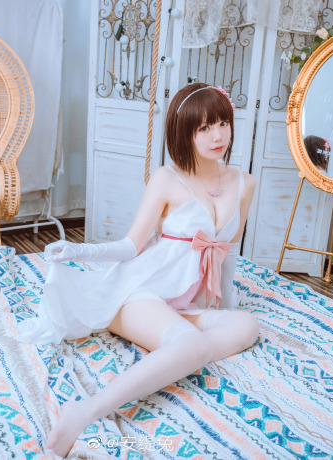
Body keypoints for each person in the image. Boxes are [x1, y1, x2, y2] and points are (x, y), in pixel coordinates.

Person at [18, 82, 260, 457]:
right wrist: (79, 251)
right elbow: (131, 245)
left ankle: (177, 354)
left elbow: (227, 253)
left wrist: (224, 306)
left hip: (185, 303)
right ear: (184, 132)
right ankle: (85, 412)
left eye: (223, 123)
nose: (218, 136)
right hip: (140, 293)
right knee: (194, 345)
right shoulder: (168, 178)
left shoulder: (244, 183)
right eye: (204, 128)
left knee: (247, 326)